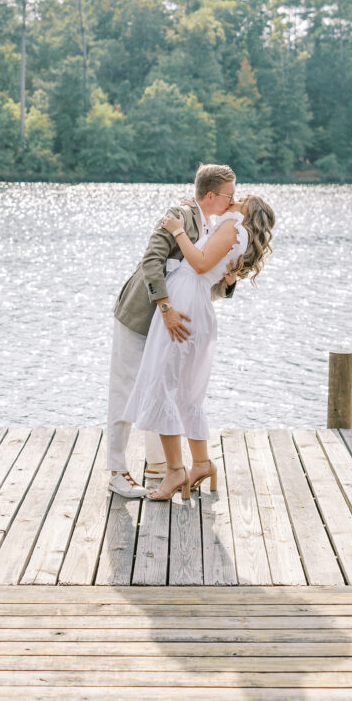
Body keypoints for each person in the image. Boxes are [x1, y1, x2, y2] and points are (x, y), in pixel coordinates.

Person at [122, 194, 275, 501]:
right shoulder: (235, 230)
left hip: (186, 300)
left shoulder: (233, 225)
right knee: (187, 393)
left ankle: (176, 470)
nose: (236, 198)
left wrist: (178, 230)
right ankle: (201, 464)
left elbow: (202, 264)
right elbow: (214, 266)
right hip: (196, 300)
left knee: (162, 385)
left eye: (242, 197)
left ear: (248, 211)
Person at [107, 163, 239, 498]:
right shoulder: (177, 215)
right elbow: (151, 260)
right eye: (229, 195)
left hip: (172, 325)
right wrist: (165, 308)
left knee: (161, 386)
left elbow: (200, 281)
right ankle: (117, 470)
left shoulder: (217, 227)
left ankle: (158, 466)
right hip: (143, 314)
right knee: (126, 389)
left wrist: (229, 283)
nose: (233, 201)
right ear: (210, 195)